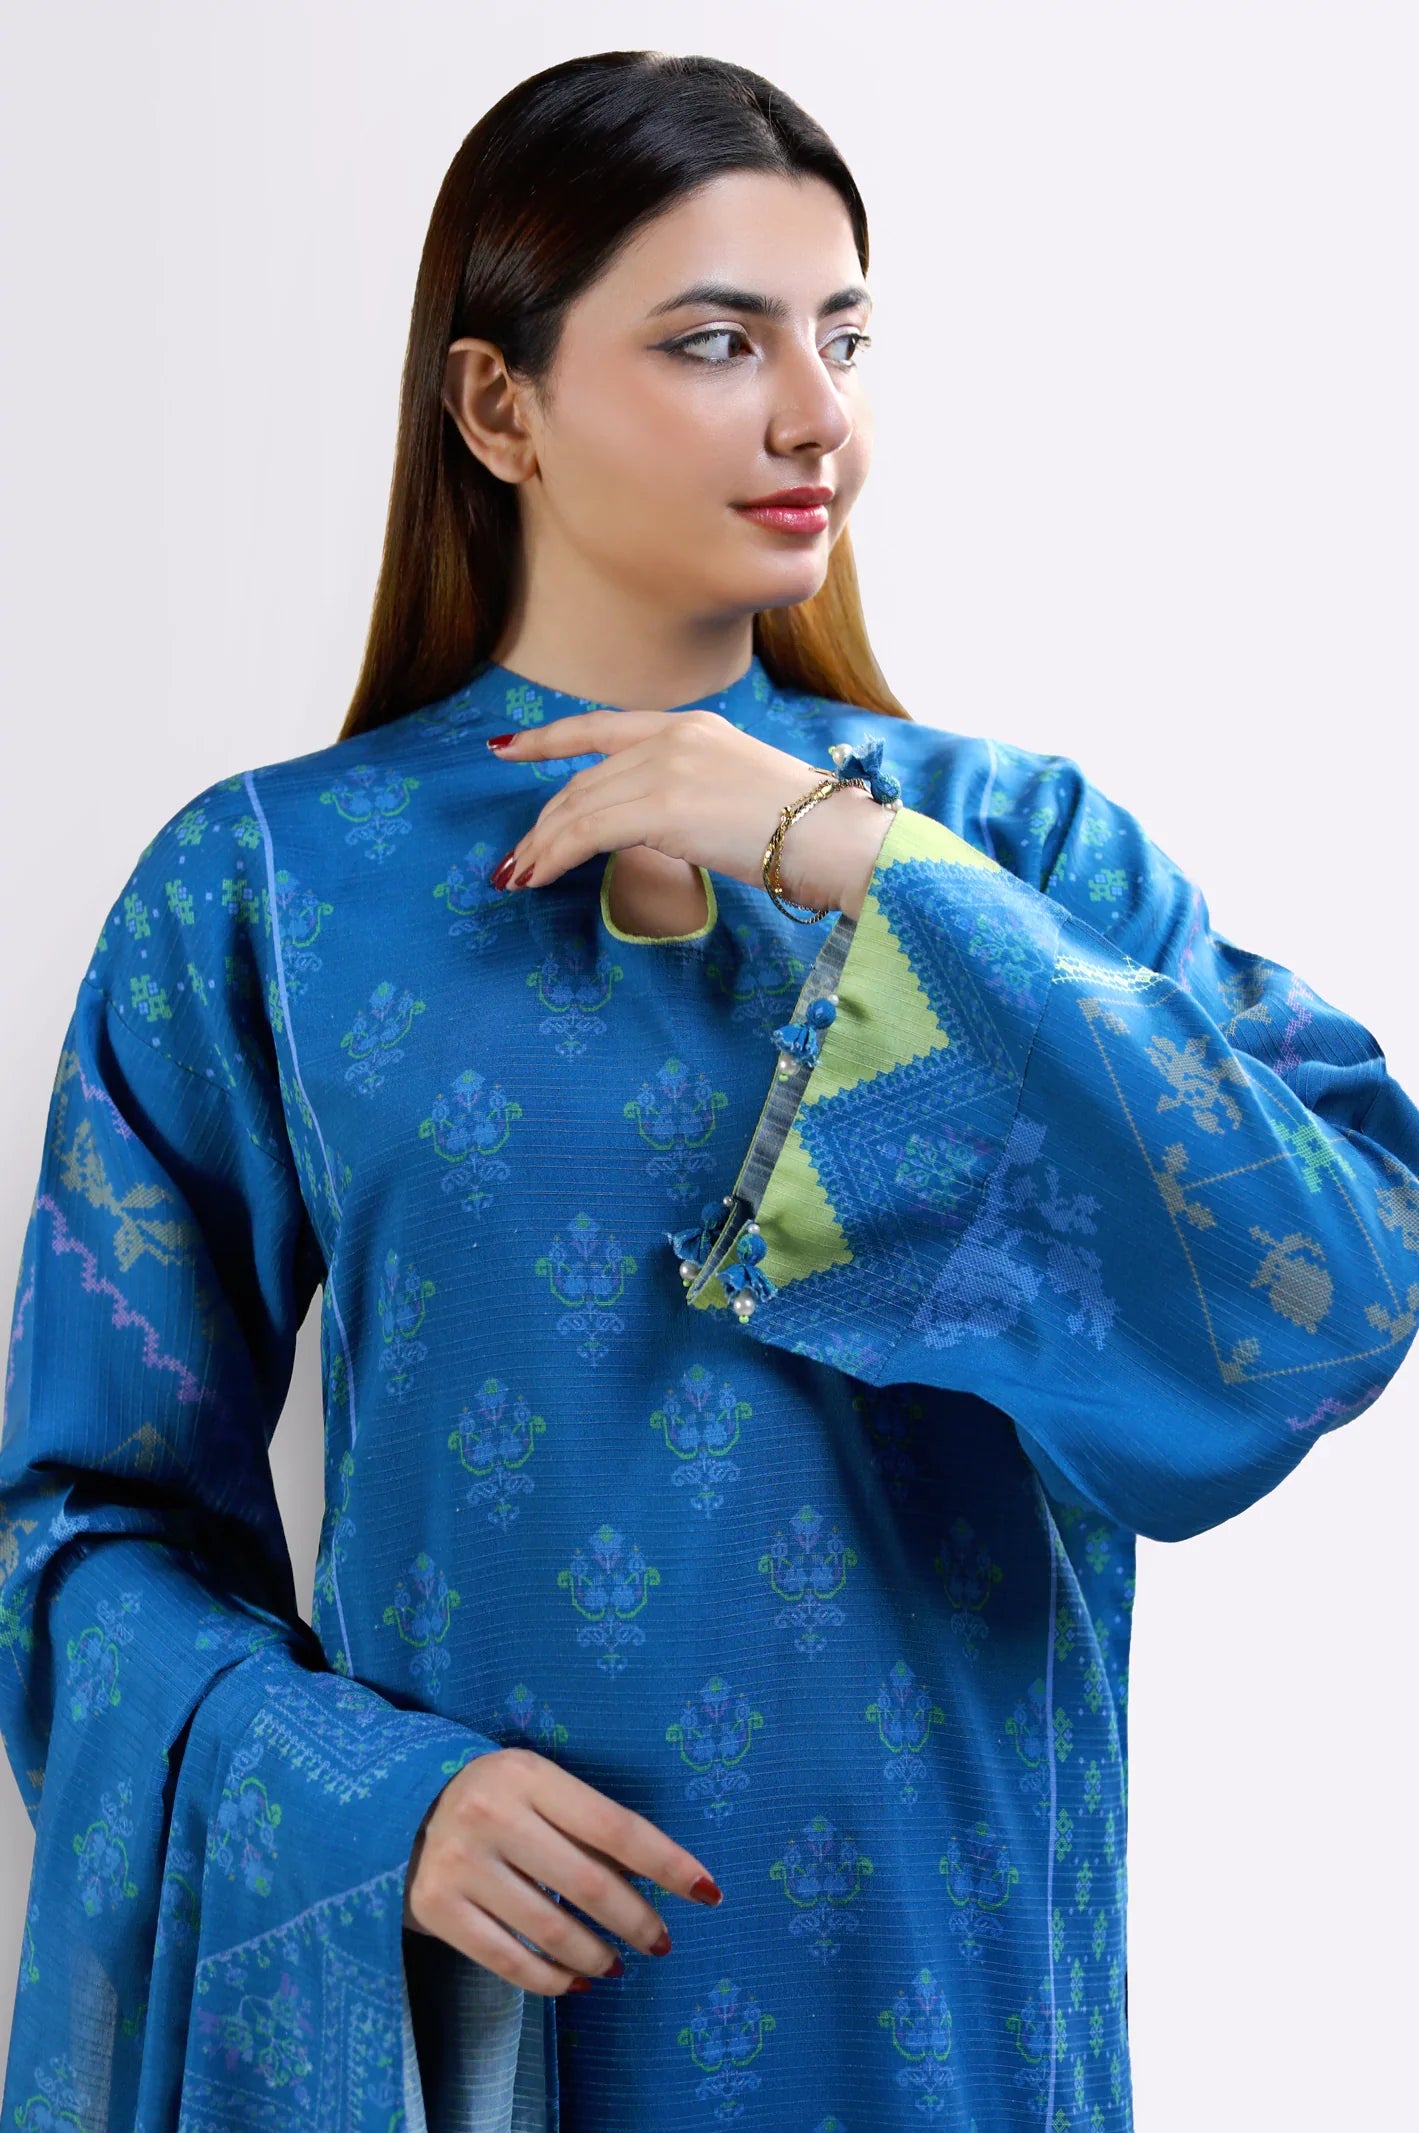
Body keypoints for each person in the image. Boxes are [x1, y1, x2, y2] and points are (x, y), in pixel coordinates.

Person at [3, 46, 1416, 2133]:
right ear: (498, 408)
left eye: (843, 336)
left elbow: (1334, 1265)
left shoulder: (1009, 845)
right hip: (500, 2025)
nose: (813, 414)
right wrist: (374, 1804)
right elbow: (79, 1527)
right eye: (714, 341)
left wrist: (851, 859)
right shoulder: (269, 888)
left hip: (950, 2006)